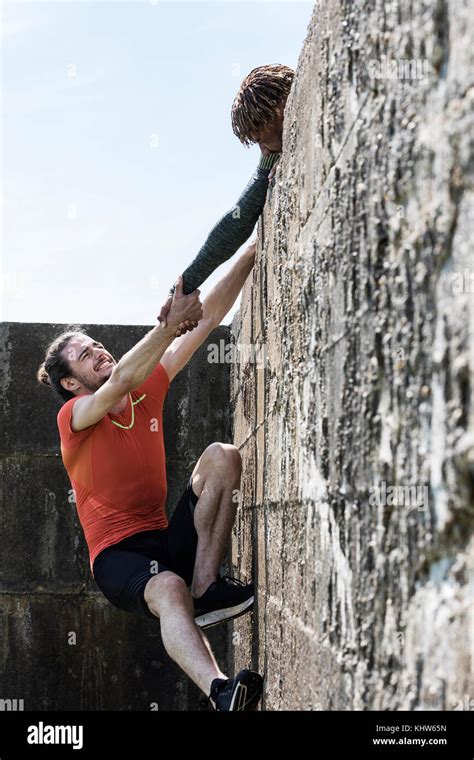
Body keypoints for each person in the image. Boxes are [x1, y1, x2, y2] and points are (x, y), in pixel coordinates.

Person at [37, 244, 264, 710]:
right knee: (167, 587)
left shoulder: (146, 390)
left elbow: (203, 323)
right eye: (84, 354)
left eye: (96, 343)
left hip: (161, 537)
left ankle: (208, 586)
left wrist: (251, 251)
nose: (97, 350)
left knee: (223, 456)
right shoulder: (74, 419)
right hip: (118, 558)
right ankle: (222, 691)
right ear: (71, 384)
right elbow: (118, 381)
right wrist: (166, 324)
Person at [158, 64, 294, 328]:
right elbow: (235, 223)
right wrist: (182, 288)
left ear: (283, 109)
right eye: (257, 143)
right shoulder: (271, 156)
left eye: (265, 139)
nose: (264, 150)